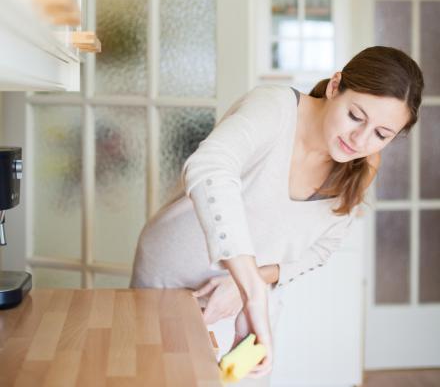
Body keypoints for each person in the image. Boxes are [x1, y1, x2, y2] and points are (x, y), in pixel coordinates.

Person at [130, 45, 423, 384]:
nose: (360, 139)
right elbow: (209, 166)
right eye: (356, 116)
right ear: (334, 86)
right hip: (169, 284)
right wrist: (250, 285)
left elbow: (321, 251)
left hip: (241, 305)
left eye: (381, 134)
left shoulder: (362, 167)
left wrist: (250, 282)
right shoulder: (275, 108)